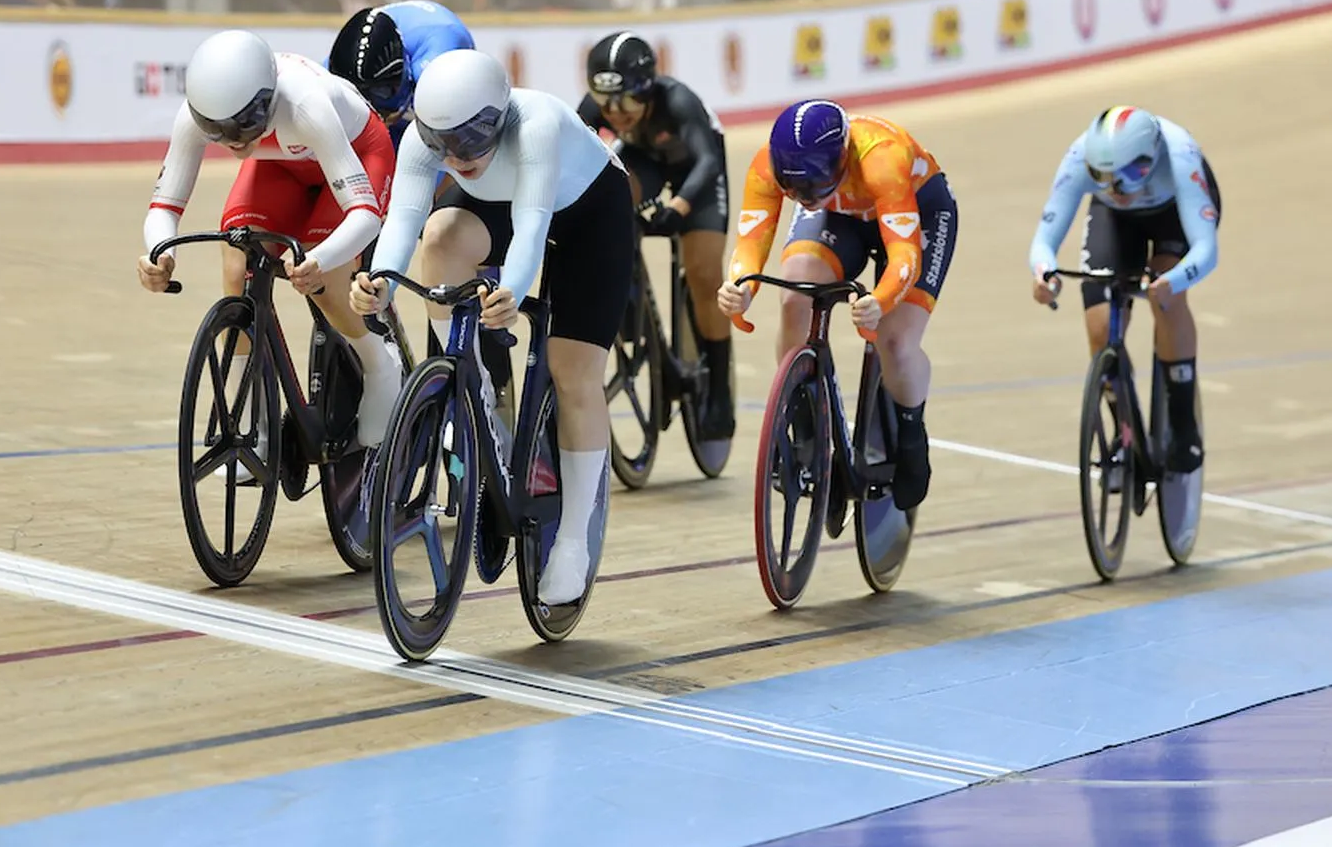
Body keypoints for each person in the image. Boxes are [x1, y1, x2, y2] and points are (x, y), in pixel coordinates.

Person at [351, 50, 634, 606]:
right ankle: (467, 389)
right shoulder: (427, 139)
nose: (459, 155)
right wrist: (379, 279)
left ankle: (574, 538)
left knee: (573, 371)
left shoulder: (537, 124)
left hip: (587, 213)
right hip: (502, 205)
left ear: (500, 115)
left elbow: (532, 226)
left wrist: (513, 289)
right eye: (443, 144)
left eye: (473, 138)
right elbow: (405, 218)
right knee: (441, 238)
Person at [136, 31, 406, 474]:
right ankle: (248, 425)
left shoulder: (306, 105)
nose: (232, 140)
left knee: (326, 280)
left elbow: (364, 217)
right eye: (217, 131)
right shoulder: (197, 115)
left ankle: (380, 366)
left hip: (357, 152)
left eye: (243, 126)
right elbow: (164, 206)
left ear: (267, 99)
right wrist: (157, 253)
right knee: (237, 255)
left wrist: (320, 257)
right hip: (281, 164)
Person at [716, 101, 959, 512]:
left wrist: (880, 300)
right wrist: (741, 287)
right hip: (840, 214)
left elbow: (903, 256)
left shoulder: (882, 159)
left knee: (895, 341)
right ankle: (806, 424)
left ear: (842, 158)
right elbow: (751, 240)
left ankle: (911, 432)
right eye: (795, 190)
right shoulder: (771, 167)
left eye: (812, 185)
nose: (802, 198)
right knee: (794, 297)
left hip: (917, 211)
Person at [1028, 106, 1220, 473]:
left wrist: (1173, 282)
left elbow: (1206, 251)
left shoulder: (1180, 154)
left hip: (1175, 214)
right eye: (1103, 176)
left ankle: (1183, 424)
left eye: (1133, 173)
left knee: (1167, 297)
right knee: (1100, 328)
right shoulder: (1080, 159)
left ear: (1153, 155)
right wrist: (1043, 275)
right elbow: (1043, 242)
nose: (1119, 187)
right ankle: (1124, 434)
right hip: (1116, 221)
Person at [578, 30, 735, 438]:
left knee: (703, 273)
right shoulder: (596, 110)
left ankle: (718, 386)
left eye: (627, 101)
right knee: (613, 200)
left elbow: (707, 163)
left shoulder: (677, 101)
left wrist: (678, 209)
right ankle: (628, 293)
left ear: (648, 91)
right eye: (605, 103)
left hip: (696, 173)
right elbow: (577, 161)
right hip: (646, 162)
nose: (616, 113)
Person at [326, 0, 475, 139]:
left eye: (380, 92)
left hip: (440, 52)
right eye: (358, 96)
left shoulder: (435, 62)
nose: (371, 110)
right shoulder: (328, 73)